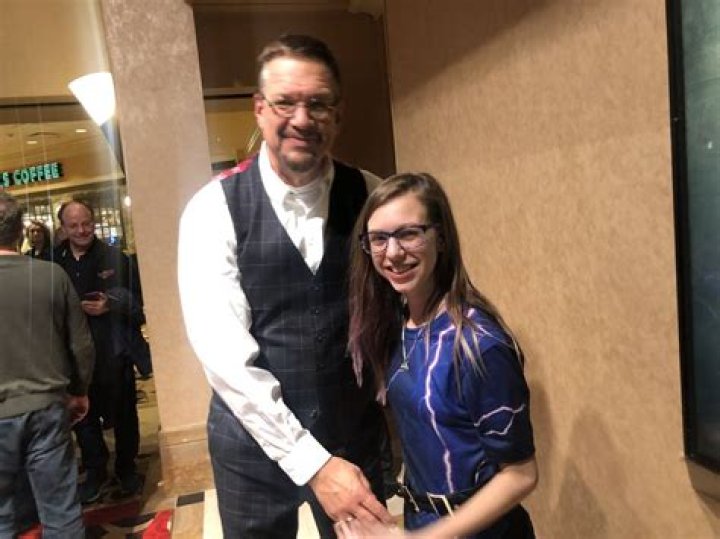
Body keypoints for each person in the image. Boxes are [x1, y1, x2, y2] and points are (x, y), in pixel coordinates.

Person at [178, 34, 392, 537]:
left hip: (351, 434)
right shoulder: (212, 209)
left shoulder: (374, 195)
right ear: (259, 109)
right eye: (285, 103)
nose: (302, 118)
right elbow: (226, 359)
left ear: (338, 114)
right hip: (250, 446)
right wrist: (313, 464)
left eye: (318, 103)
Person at [343, 172, 538, 538]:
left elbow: (520, 475)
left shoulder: (478, 345)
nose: (393, 252)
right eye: (379, 239)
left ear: (442, 238)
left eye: (409, 233)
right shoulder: (398, 326)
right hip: (424, 520)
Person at [0, 191, 95, 537]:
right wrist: (80, 391)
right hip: (48, 407)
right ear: (20, 230)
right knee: (61, 512)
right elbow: (81, 345)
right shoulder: (52, 276)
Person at [54, 199, 144, 504]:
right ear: (63, 228)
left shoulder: (114, 257)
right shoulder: (53, 262)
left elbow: (139, 305)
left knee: (124, 413)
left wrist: (111, 304)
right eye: (74, 225)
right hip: (72, 355)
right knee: (84, 419)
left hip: (112, 350)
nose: (82, 230)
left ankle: (126, 467)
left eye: (87, 223)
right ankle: (95, 471)